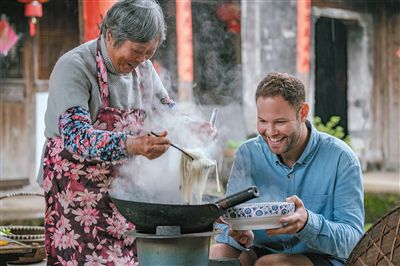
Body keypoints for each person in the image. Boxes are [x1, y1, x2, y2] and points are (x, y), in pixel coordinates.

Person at [38, 0, 214, 264]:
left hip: (125, 193)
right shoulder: (74, 67)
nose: (142, 60)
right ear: (110, 35)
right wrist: (132, 145)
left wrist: (191, 125)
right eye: (137, 51)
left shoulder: (143, 68)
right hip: (76, 191)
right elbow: (77, 137)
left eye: (149, 53)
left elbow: (166, 108)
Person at [210, 72, 364, 266]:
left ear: (303, 112)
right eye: (263, 121)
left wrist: (307, 223)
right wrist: (237, 234)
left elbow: (354, 241)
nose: (271, 132)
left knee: (271, 264)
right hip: (260, 250)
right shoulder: (248, 154)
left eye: (280, 122)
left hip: (321, 257)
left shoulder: (342, 159)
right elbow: (230, 222)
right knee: (216, 255)